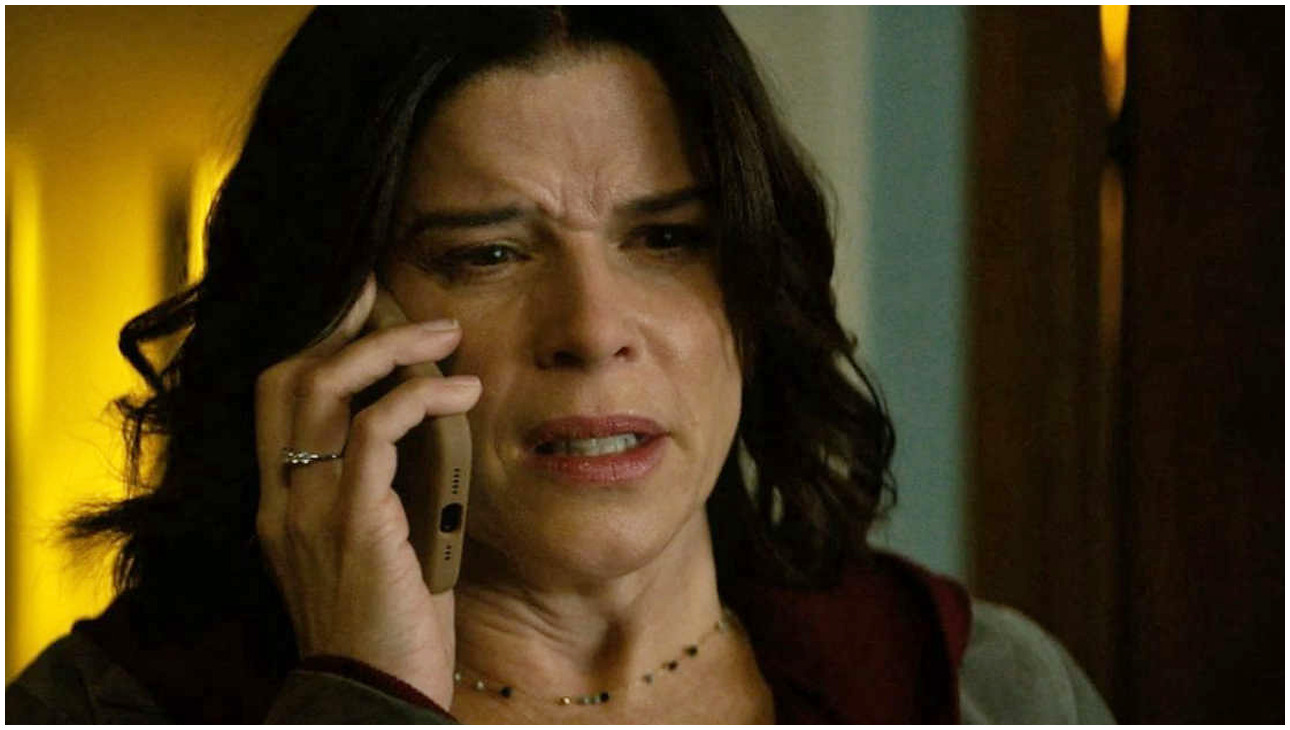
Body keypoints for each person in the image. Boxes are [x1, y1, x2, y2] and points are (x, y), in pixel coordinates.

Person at [7, 7, 1112, 723]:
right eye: (486, 255)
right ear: (331, 326)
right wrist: (360, 697)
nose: (591, 327)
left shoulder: (980, 685)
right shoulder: (109, 705)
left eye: (667, 238)